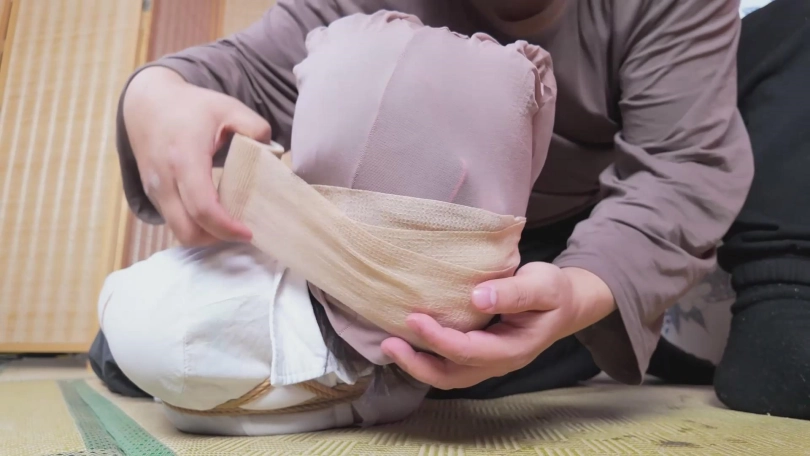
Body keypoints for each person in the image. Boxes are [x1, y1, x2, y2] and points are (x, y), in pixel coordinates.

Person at [95, 0, 810, 420]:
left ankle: (768, 297)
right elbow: (238, 69)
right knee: (139, 349)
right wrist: (157, 94)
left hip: (561, 250)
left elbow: (680, 162)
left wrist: (583, 293)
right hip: (412, 255)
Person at [93, 11, 556, 435]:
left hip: (505, 284)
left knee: (135, 338)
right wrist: (155, 92)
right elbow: (237, 65)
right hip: (449, 303)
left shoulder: (174, 322)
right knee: (125, 347)